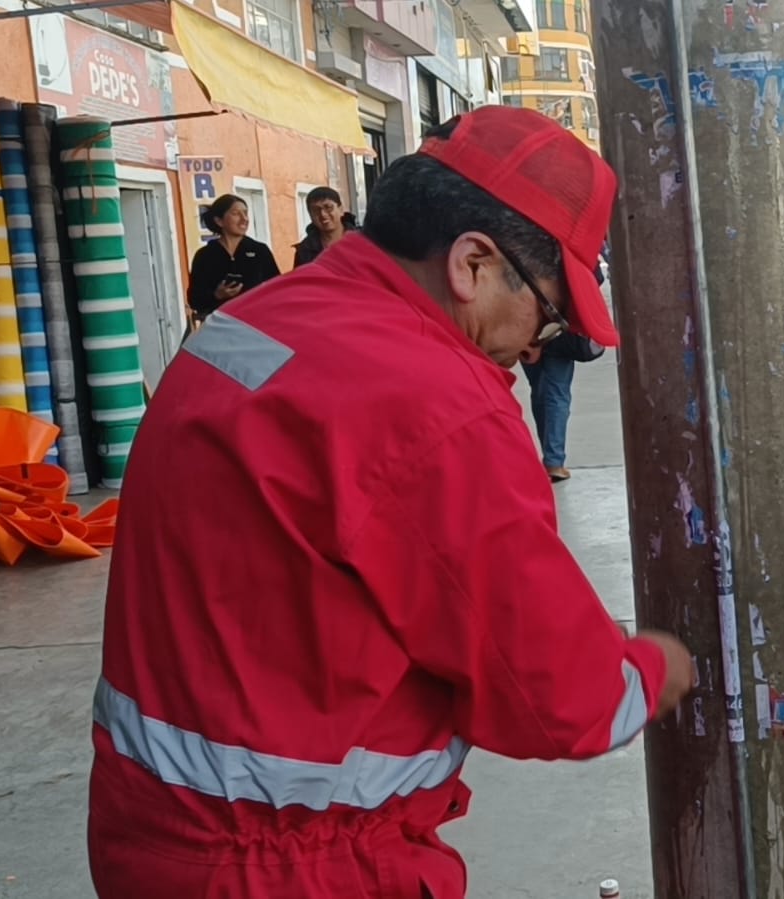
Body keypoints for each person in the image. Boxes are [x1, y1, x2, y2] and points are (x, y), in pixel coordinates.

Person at [88, 107, 694, 898]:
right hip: (298, 862)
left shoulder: (253, 322)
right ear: (472, 262)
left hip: (148, 828)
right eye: (547, 310)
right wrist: (654, 667)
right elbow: (557, 700)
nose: (538, 342)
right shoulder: (436, 407)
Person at [521, 260, 603, 482]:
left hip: (526, 328)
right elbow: (595, 275)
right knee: (556, 392)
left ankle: (551, 457)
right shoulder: (565, 249)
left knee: (539, 390)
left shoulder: (520, 245)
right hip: (559, 328)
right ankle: (554, 461)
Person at [186, 194, 280, 322]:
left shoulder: (260, 251)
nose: (244, 219)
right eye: (236, 213)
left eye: (246, 213)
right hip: (220, 326)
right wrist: (217, 295)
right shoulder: (205, 255)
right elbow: (195, 300)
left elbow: (277, 289)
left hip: (257, 324)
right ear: (219, 221)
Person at [293, 185, 358, 267]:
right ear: (310, 215)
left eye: (328, 207)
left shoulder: (363, 241)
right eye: (316, 210)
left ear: (341, 210)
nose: (323, 214)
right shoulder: (305, 250)